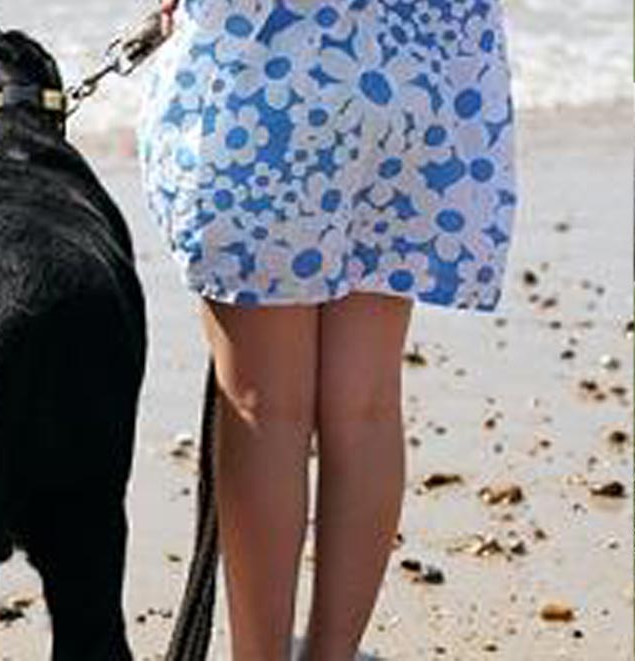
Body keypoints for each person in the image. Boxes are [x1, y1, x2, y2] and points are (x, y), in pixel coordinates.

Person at [138, 1, 517, 659]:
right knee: (366, 405)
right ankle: (332, 653)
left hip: (273, 69)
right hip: (422, 75)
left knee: (263, 403)